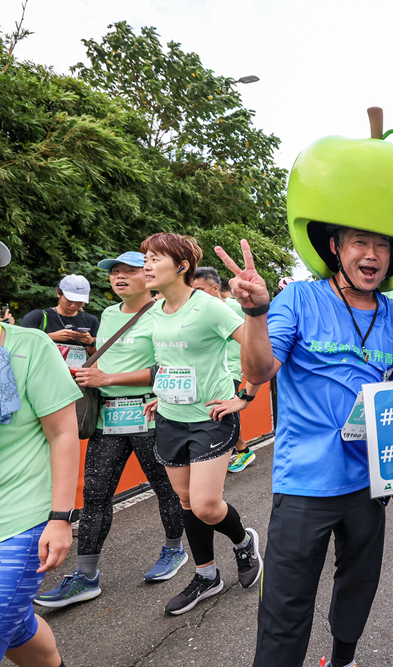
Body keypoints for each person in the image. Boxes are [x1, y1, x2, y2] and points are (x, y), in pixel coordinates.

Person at [218, 229, 393, 667]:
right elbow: (260, 369)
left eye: (383, 246)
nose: (372, 255)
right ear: (335, 248)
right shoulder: (300, 300)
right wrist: (255, 312)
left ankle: (342, 659)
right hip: (304, 484)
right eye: (359, 243)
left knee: (358, 586)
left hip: (369, 482)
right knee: (285, 606)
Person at [35, 252, 187, 609]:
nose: (119, 277)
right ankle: (86, 576)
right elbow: (106, 360)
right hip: (109, 417)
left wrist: (110, 377)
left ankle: (174, 549)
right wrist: (91, 373)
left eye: (130, 272)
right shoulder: (107, 314)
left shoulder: (166, 311)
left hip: (151, 412)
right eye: (114, 272)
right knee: (95, 496)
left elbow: (168, 367)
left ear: (148, 275)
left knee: (167, 488)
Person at [0, 232, 81, 667]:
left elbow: (62, 434)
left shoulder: (29, 345)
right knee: (14, 626)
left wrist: (59, 519)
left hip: (15, 527)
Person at [141, 233, 263, 616]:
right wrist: (162, 392)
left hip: (211, 417)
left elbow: (258, 345)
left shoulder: (209, 308)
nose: (146, 264)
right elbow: (168, 359)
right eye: (146, 257)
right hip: (171, 419)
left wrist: (245, 394)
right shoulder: (154, 310)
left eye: (155, 257)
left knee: (208, 505)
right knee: (186, 502)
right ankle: (206, 575)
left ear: (181, 266)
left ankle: (243, 542)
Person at [192, 266, 257, 473]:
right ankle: (241, 450)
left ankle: (240, 452)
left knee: (221, 415)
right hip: (211, 372)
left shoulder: (234, 307)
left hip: (233, 371)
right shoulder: (196, 311)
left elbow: (262, 329)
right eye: (191, 290)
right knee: (215, 413)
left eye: (199, 289)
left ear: (215, 288)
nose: (194, 295)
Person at [20, 274, 99, 369]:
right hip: (43, 372)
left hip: (77, 377)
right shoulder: (38, 316)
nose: (74, 305)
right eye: (70, 300)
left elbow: (98, 357)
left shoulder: (91, 320)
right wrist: (50, 337)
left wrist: (90, 342)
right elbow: (21, 345)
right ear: (58, 293)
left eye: (79, 301)